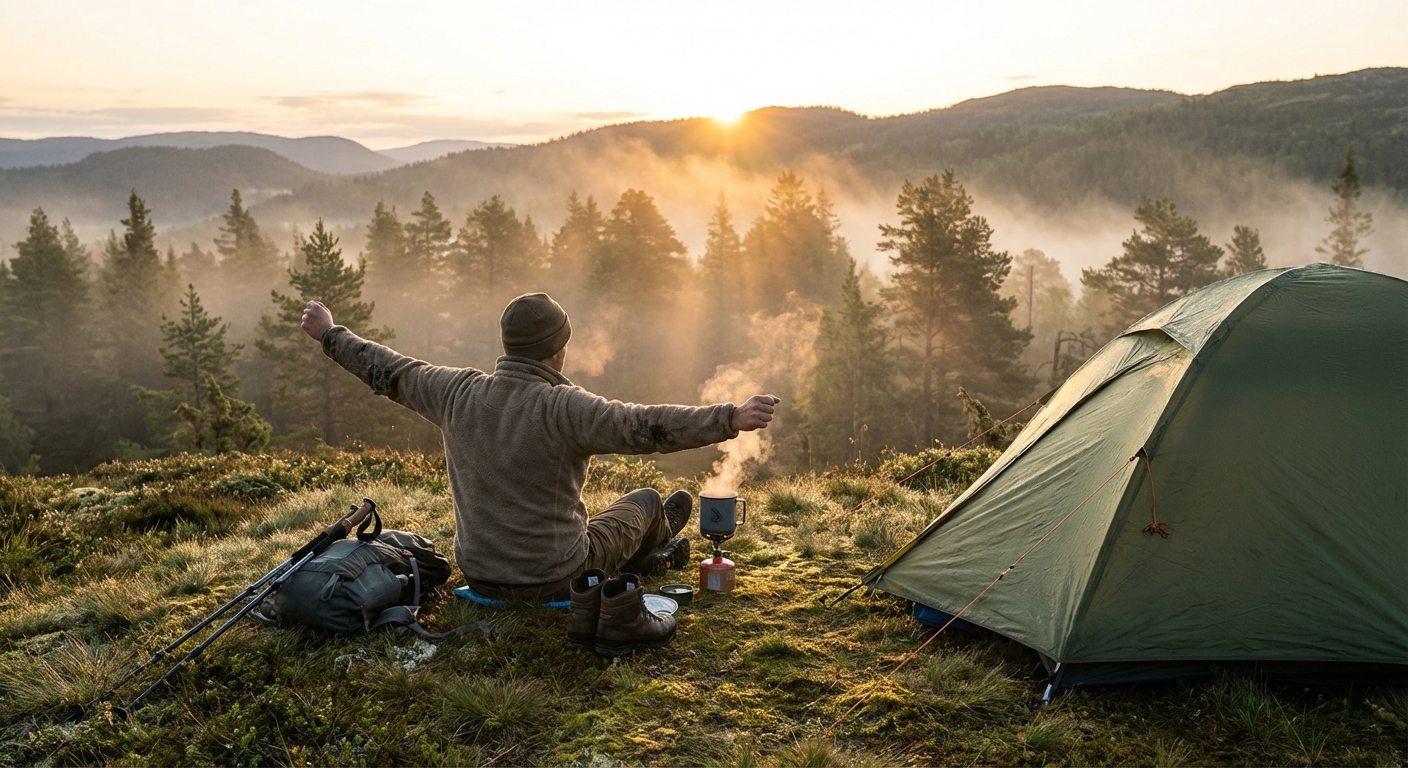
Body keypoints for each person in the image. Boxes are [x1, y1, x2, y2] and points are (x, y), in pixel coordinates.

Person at [300, 292, 778, 654]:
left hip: (481, 574)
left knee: (630, 512)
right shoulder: (563, 406)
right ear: (558, 351)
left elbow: (387, 369)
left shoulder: (453, 391)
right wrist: (729, 418)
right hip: (557, 576)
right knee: (649, 500)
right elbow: (643, 426)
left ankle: (650, 549)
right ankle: (657, 540)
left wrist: (329, 333)